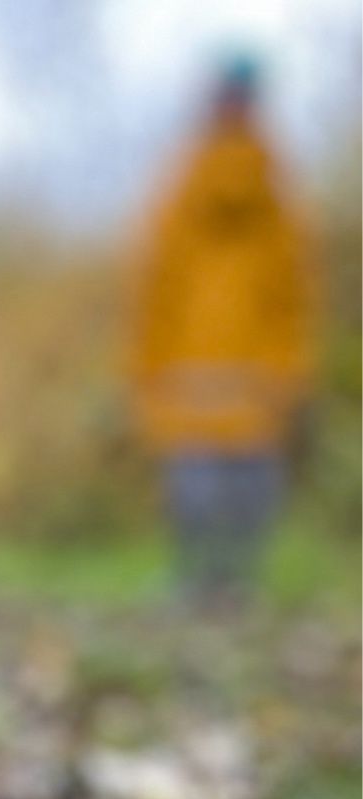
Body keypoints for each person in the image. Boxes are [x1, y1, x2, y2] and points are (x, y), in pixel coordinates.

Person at [130, 57, 316, 603]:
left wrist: (147, 367)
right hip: (237, 368)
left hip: (209, 366)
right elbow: (159, 288)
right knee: (232, 484)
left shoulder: (183, 188)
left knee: (207, 484)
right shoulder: (276, 191)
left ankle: (208, 583)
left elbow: (290, 295)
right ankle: (227, 583)